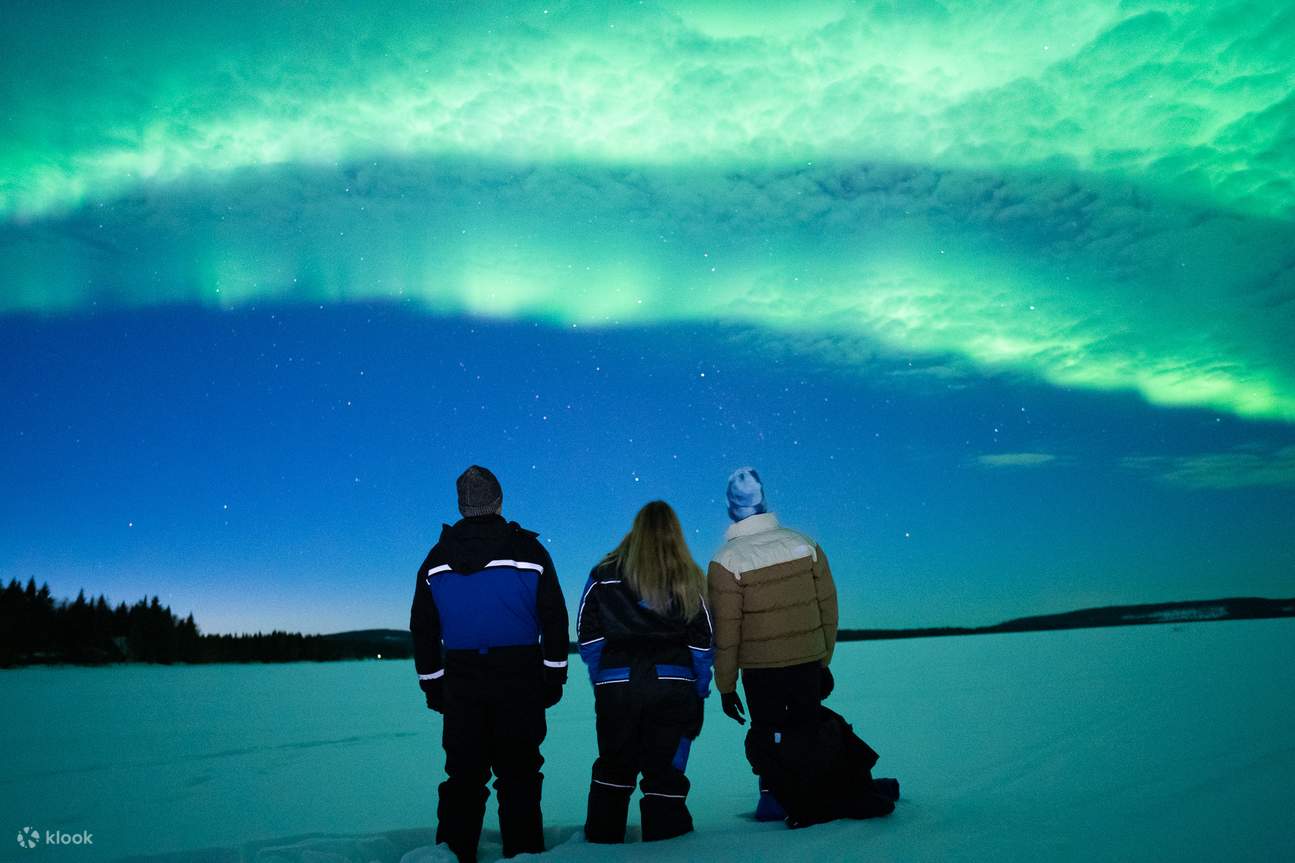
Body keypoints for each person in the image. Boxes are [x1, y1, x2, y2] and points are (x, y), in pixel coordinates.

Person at [708, 467, 894, 825]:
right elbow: (828, 607)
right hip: (807, 662)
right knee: (810, 731)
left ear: (732, 509)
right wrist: (822, 658)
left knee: (771, 737)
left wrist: (726, 686)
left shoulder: (726, 561)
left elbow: (726, 632)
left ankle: (798, 802)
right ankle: (829, 792)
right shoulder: (804, 545)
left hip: (761, 671)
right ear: (764, 502)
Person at [409, 465, 569, 863]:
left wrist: (434, 684)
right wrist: (553, 676)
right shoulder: (529, 552)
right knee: (520, 777)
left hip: (463, 682)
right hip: (520, 679)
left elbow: (423, 629)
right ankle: (525, 853)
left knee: (463, 776)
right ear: (498, 502)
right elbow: (554, 618)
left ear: (462, 507)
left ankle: (453, 853)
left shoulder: (436, 559)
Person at [577, 500, 715, 844]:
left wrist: (603, 678)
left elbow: (587, 633)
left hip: (617, 684)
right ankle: (667, 845)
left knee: (614, 766)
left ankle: (601, 844)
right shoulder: (689, 576)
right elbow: (703, 642)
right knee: (664, 771)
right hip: (673, 684)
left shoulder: (603, 573)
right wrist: (699, 688)